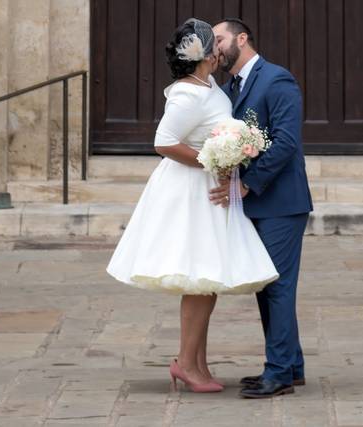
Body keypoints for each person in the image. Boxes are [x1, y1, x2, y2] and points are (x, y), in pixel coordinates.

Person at [106, 18, 278, 394]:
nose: (220, 48)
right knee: (199, 279)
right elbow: (164, 141)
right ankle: (187, 364)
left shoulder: (209, 84)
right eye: (213, 43)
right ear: (202, 54)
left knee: (207, 280)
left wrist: (231, 149)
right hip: (190, 191)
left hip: (209, 190)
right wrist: (211, 159)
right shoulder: (188, 93)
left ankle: (196, 361)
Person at [210, 18, 313, 399]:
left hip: (282, 202)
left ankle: (279, 373)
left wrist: (249, 182)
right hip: (256, 204)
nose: (215, 47)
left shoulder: (277, 79)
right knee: (267, 285)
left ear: (242, 38)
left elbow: (286, 141)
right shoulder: (230, 87)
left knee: (277, 287)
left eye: (219, 39)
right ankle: (292, 366)